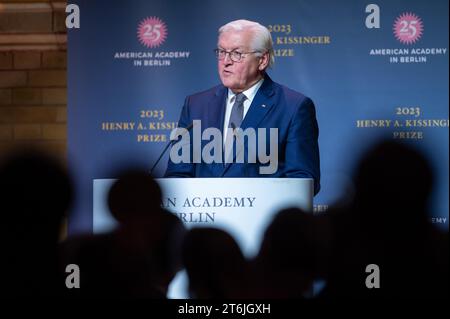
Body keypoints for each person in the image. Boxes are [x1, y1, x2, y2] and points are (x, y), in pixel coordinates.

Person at [165, 19, 320, 195]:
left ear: (262, 60)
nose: (226, 61)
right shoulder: (195, 105)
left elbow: (303, 182)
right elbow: (177, 175)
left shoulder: (293, 107)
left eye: (236, 53)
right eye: (222, 52)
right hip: (206, 219)